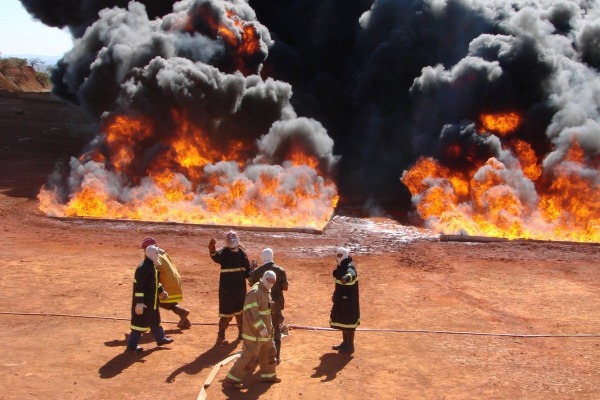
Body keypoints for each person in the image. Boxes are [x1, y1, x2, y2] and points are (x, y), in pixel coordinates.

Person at [225, 270, 281, 389]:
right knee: (249, 357)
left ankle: (268, 375)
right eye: (269, 280)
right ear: (263, 278)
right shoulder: (255, 292)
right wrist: (261, 327)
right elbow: (251, 312)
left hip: (266, 334)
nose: (271, 283)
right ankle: (232, 379)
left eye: (273, 281)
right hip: (254, 334)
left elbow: (267, 311)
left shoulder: (266, 291)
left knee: (269, 353)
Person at [126, 244, 174, 352]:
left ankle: (160, 339)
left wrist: (162, 292)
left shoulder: (152, 267)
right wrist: (139, 303)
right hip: (144, 303)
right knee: (139, 324)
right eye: (157, 254)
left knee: (155, 320)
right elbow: (139, 287)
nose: (159, 256)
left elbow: (155, 283)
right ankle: (131, 346)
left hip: (152, 302)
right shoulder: (142, 269)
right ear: (152, 255)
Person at [208, 230, 251, 344]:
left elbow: (247, 272)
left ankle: (241, 334)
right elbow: (216, 256)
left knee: (240, 312)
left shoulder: (242, 254)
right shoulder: (224, 252)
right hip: (227, 290)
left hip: (239, 290)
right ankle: (221, 336)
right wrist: (212, 249)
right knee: (226, 314)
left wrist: (253, 271)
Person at [140, 238, 191, 329]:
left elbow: (151, 273)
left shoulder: (151, 256)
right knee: (166, 299)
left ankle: (181, 312)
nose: (143, 251)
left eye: (144, 249)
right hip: (174, 278)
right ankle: (185, 321)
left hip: (166, 280)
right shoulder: (162, 252)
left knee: (156, 300)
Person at [248, 248, 288, 365]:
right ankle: (276, 356)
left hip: (262, 305)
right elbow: (285, 287)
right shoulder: (280, 270)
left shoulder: (258, 271)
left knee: (260, 330)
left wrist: (252, 270)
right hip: (276, 306)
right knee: (276, 330)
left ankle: (257, 356)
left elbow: (251, 283)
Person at [330, 246, 360, 354]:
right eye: (337, 255)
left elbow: (351, 274)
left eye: (340, 255)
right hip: (341, 300)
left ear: (345, 255)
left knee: (349, 322)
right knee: (343, 321)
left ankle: (350, 345)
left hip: (349, 301)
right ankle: (345, 342)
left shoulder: (349, 267)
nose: (338, 257)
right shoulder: (340, 267)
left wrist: (345, 278)